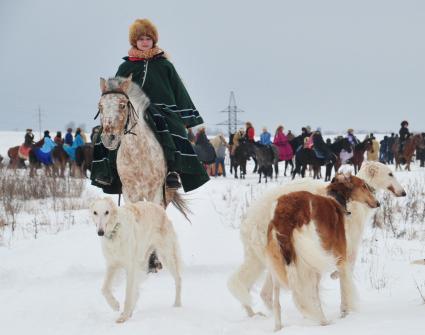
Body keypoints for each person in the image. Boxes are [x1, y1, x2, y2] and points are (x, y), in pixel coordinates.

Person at [92, 18, 209, 192]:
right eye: (140, 39)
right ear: (135, 41)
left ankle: (172, 171)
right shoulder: (126, 66)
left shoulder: (164, 65)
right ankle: (107, 172)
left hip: (163, 109)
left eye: (148, 39)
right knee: (106, 131)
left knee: (175, 130)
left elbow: (178, 89)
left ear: (153, 40)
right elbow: (115, 91)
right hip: (132, 110)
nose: (144, 42)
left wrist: (185, 117)